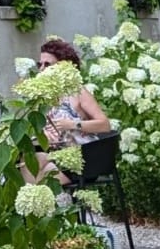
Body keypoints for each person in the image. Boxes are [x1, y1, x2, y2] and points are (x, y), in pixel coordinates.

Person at [23, 36, 113, 183]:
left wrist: (73, 124)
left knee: (40, 166)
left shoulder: (78, 92)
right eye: (40, 64)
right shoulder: (45, 97)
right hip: (55, 155)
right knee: (30, 162)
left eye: (47, 65)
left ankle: (40, 202)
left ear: (62, 67)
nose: (41, 69)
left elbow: (105, 125)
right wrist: (43, 134)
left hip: (82, 160)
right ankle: (38, 203)